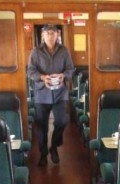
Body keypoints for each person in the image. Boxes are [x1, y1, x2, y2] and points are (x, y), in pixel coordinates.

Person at [27, 24, 75, 166]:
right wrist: (42, 78)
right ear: (42, 35)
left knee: (61, 121)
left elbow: (70, 69)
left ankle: (54, 147)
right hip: (42, 93)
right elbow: (30, 71)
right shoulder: (35, 52)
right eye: (47, 33)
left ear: (57, 35)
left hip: (60, 92)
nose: (50, 36)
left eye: (53, 33)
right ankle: (43, 153)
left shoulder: (64, 51)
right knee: (42, 126)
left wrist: (63, 75)